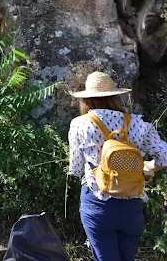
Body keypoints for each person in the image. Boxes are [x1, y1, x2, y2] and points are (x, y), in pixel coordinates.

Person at [69, 71, 167, 261]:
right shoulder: (137, 123)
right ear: (115, 96)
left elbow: (75, 168)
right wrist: (147, 167)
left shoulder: (79, 124)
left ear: (86, 99)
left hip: (97, 203)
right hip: (131, 204)